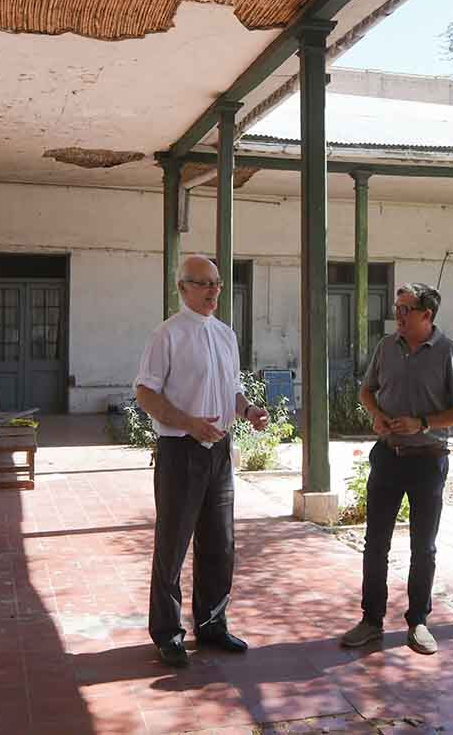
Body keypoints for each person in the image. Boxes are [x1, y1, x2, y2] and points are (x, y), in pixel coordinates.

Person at [134, 255, 269, 667]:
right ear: (182, 288)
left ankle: (212, 624)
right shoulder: (166, 336)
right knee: (172, 545)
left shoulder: (226, 335)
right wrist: (189, 423)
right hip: (181, 452)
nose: (213, 291)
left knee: (220, 544)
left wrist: (247, 411)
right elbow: (146, 393)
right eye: (204, 284)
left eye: (218, 284)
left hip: (220, 452)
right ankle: (168, 633)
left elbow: (232, 388)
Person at [340, 282, 453, 655]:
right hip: (387, 456)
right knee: (375, 544)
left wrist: (424, 423)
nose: (398, 316)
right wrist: (377, 417)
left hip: (428, 461)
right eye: (397, 309)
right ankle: (371, 620)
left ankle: (418, 621)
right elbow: (366, 391)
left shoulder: (450, 353)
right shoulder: (387, 347)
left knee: (423, 547)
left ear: (426, 315)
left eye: (405, 309)